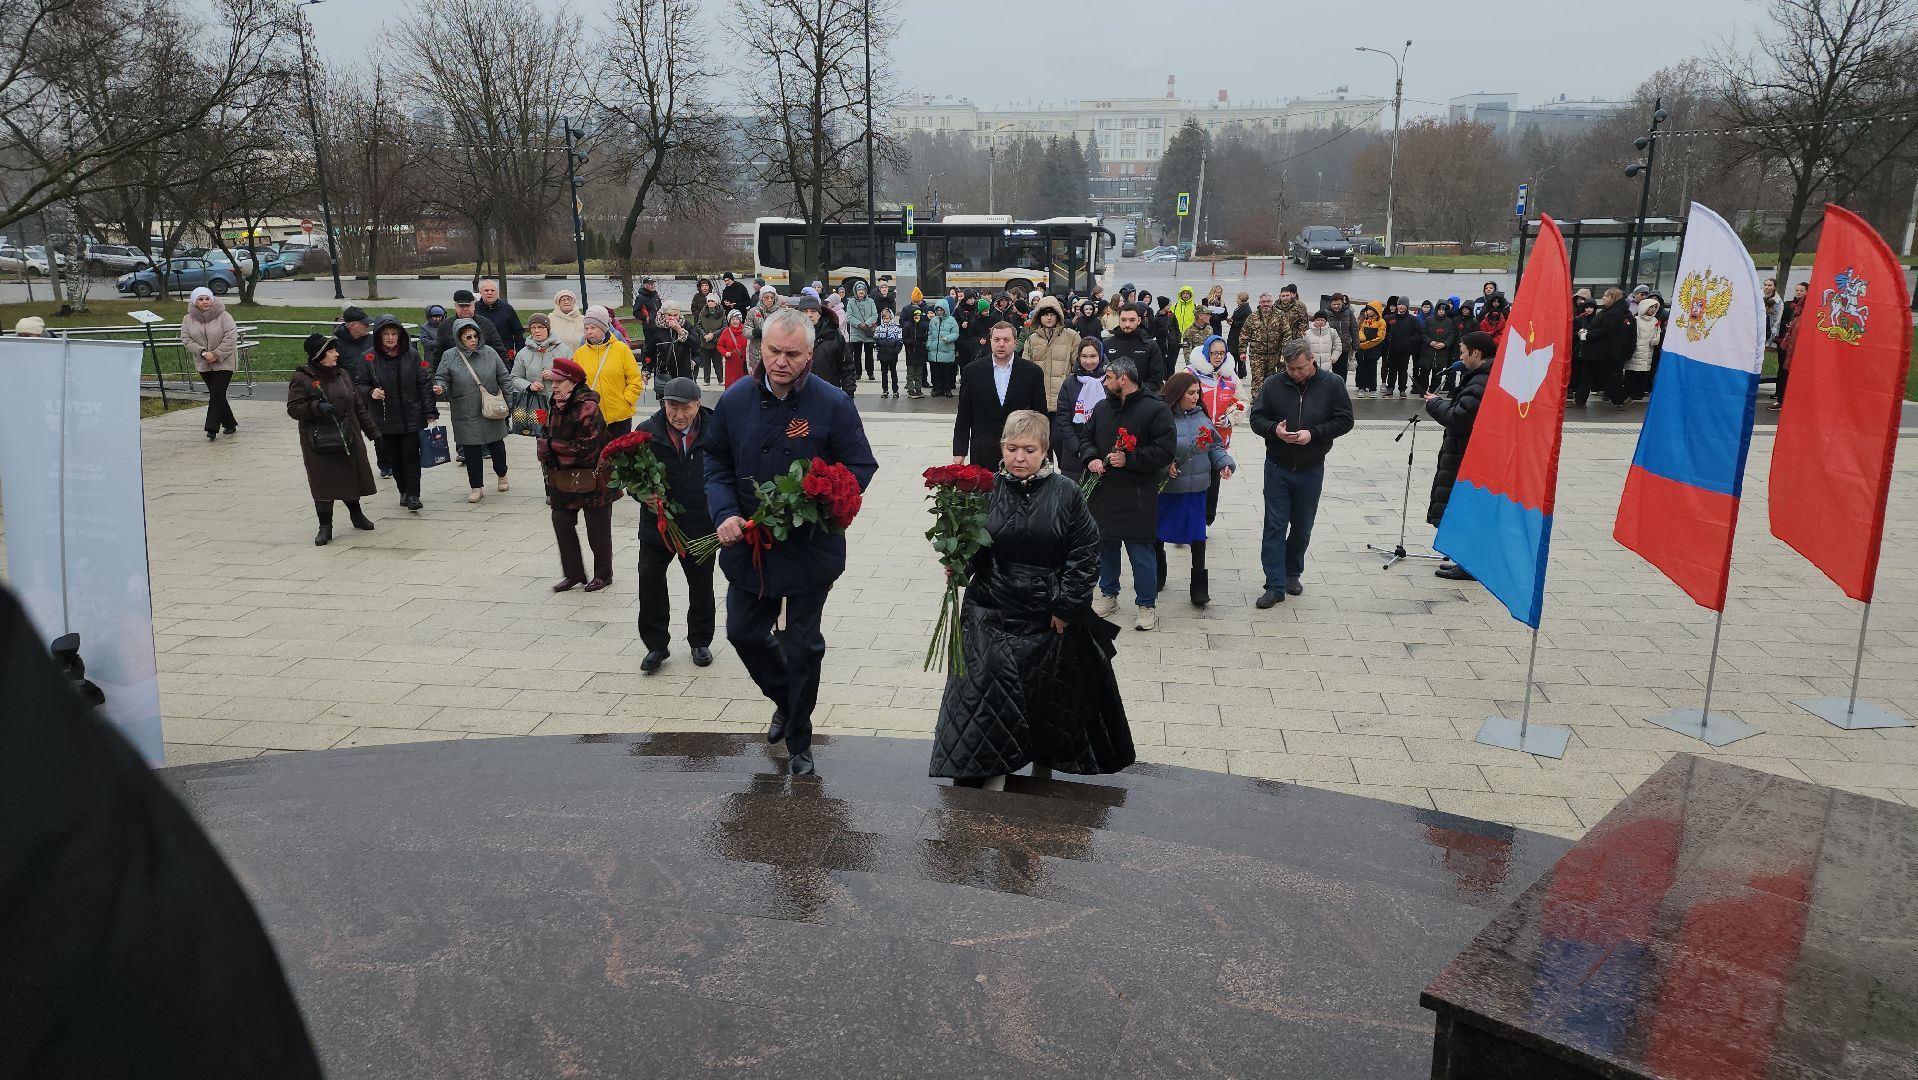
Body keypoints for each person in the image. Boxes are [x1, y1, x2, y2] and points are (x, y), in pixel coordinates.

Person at [704, 308, 879, 777]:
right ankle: (786, 698)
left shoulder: (832, 403)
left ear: (809, 355)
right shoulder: (736, 399)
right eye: (773, 351)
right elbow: (715, 462)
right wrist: (724, 513)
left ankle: (800, 739)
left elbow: (860, 466)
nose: (781, 362)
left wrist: (823, 500)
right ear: (760, 348)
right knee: (742, 632)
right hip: (752, 543)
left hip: (808, 546)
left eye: (793, 354)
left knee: (802, 646)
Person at [928, 409, 1133, 789]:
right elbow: (975, 545)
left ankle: (1043, 772)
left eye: (1029, 450)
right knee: (987, 696)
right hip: (990, 609)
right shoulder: (985, 489)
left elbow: (1084, 553)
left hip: (1046, 614)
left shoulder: (1066, 492)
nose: (1019, 458)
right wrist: (959, 562)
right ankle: (989, 780)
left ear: (1044, 450)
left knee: (1046, 698)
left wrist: (1067, 606)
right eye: (1011, 449)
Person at [1071, 356, 1175, 631]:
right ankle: (1108, 594)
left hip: (1137, 494)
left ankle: (1146, 605)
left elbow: (1164, 450)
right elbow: (1086, 438)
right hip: (1104, 492)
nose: (1104, 383)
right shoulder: (1102, 408)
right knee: (1106, 546)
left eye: (1108, 377)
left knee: (1141, 552)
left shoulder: (1156, 409)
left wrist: (1131, 459)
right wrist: (1091, 458)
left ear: (1123, 379)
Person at [1250, 339, 1353, 608]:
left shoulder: (1332, 384)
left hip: (1311, 467)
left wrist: (1314, 434)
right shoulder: (1273, 384)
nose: (1295, 373)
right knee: (1274, 525)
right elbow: (1256, 418)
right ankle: (1274, 585)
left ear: (1311, 360)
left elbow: (1345, 420)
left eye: (1300, 368)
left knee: (1302, 526)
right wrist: (1275, 431)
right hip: (1277, 466)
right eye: (1290, 368)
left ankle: (1292, 573)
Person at [635, 377, 716, 670]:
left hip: (699, 522)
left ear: (698, 404)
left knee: (701, 584)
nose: (679, 415)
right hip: (657, 524)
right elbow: (632, 475)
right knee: (650, 582)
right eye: (672, 407)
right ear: (663, 404)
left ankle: (700, 641)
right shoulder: (646, 431)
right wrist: (641, 493)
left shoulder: (716, 430)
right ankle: (656, 645)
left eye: (686, 408)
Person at [537, 357, 620, 592]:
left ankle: (603, 574)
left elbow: (587, 448)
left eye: (558, 382)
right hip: (564, 476)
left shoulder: (588, 407)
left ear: (573, 382)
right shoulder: (557, 403)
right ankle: (574, 574)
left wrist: (551, 446)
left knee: (597, 528)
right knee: (561, 521)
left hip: (594, 477)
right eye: (553, 381)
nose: (553, 386)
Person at [1155, 371, 1236, 608]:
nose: (1196, 397)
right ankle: (1158, 573)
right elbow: (1153, 450)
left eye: (1197, 392)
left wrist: (1225, 463)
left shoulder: (1202, 416)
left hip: (1196, 490)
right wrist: (1165, 466)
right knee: (1157, 534)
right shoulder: (1162, 417)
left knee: (1198, 537)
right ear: (1177, 394)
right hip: (1168, 491)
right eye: (1191, 393)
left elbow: (1215, 446)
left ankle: (1199, 586)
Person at [288, 334, 379, 545]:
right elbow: (293, 409)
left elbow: (357, 405)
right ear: (319, 356)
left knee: (349, 476)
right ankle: (325, 526)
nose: (336, 354)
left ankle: (356, 515)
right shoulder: (302, 378)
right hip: (320, 440)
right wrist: (316, 407)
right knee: (323, 481)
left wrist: (373, 432)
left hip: (348, 435)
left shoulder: (342, 374)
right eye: (331, 351)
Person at [1424, 330, 1494, 581]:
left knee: (1470, 511)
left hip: (1469, 456)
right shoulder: (1479, 377)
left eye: (1463, 352)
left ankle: (1470, 565)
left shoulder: (1481, 382)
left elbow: (1458, 417)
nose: (1461, 357)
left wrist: (1434, 403)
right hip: (1465, 453)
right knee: (1466, 510)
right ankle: (1465, 561)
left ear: (1476, 352)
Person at [354, 315, 435, 513]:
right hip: (384, 417)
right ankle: (403, 491)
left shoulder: (412, 355)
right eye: (386, 334)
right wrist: (371, 392)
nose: (391, 338)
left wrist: (429, 411)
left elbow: (423, 382)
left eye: (394, 334)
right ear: (379, 336)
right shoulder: (368, 357)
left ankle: (414, 495)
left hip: (410, 414)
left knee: (411, 455)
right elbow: (359, 384)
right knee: (395, 458)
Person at [431, 318, 512, 503]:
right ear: (459, 338)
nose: (473, 340)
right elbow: (441, 376)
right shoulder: (449, 356)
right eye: (468, 337)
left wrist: (509, 402)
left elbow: (504, 377)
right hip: (464, 410)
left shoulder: (489, 352)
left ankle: (502, 475)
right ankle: (476, 487)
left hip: (490, 407)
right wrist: (441, 387)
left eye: (475, 336)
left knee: (496, 446)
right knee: (471, 450)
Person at [954, 320, 1049, 471]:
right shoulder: (972, 371)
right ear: (990, 341)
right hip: (983, 449)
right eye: (997, 339)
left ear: (1015, 342)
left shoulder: (1032, 372)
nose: (1001, 344)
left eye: (1006, 340)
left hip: (1021, 452)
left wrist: (1044, 451)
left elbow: (1040, 415)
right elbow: (964, 414)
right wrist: (959, 451)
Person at [572, 308, 643, 436]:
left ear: (603, 328)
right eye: (586, 328)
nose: (589, 332)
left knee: (620, 449)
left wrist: (626, 400)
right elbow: (576, 383)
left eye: (593, 328)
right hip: (592, 417)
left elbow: (635, 379)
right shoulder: (579, 354)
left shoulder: (621, 349)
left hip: (620, 416)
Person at [180, 286, 238, 440]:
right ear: (195, 302)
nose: (205, 302)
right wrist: (203, 352)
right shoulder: (188, 319)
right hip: (203, 362)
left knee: (217, 393)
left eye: (207, 298)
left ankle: (212, 427)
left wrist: (216, 354)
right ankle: (230, 423)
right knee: (217, 394)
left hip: (224, 361)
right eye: (201, 299)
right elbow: (186, 339)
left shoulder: (224, 316)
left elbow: (231, 337)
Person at [1053, 337, 1106, 481]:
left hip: (1102, 453)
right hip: (1074, 454)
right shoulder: (1070, 383)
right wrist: (1079, 449)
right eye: (1084, 356)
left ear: (1100, 357)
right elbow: (1063, 419)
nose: (1088, 361)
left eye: (1093, 356)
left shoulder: (1109, 381)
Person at [510, 313, 569, 428]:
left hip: (560, 404)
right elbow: (514, 378)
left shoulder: (563, 350)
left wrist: (556, 375)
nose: (537, 331)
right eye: (533, 327)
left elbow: (574, 377)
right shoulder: (523, 353)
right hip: (535, 406)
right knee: (539, 435)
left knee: (560, 436)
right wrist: (529, 386)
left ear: (548, 329)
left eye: (540, 327)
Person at [793, 293, 853, 397]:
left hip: (828, 392)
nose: (809, 315)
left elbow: (847, 366)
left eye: (813, 311)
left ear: (819, 314)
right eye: (805, 311)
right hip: (798, 394)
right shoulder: (790, 335)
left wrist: (848, 394)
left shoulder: (833, 334)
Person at [1583, 287, 1635, 409]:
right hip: (1597, 350)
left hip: (1604, 351)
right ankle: (1580, 399)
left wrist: (1588, 335)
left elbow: (1605, 330)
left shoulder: (1615, 313)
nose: (1603, 297)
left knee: (1608, 377)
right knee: (1589, 375)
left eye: (1606, 296)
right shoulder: (1608, 310)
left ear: (1613, 298)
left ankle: (1622, 399)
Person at [1023, 295, 1079, 405]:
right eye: (1045, 314)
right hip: (1039, 398)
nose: (1049, 318)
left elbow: (1077, 366)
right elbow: (1026, 369)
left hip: (1063, 398)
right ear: (1039, 316)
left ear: (1058, 315)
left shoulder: (1071, 336)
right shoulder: (1031, 340)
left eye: (1052, 314)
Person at [1102, 302, 1166, 395]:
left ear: (1139, 321)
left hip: (1141, 398)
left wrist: (1136, 392)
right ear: (1119, 320)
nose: (1127, 324)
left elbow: (1157, 377)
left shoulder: (1150, 346)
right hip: (1111, 398)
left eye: (1132, 320)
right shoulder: (1106, 344)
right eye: (1123, 320)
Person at [1772, 281, 1807, 410]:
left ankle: (1787, 398)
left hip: (1795, 345)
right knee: (1782, 370)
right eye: (1797, 290)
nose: (1798, 292)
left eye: (1801, 290)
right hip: (1785, 342)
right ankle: (1779, 396)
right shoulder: (1788, 305)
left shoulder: (1807, 308)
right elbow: (1779, 321)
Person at [440, 289, 504, 357]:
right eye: (461, 306)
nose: (465, 309)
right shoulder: (445, 326)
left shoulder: (487, 324)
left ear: (474, 306)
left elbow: (499, 350)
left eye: (468, 306)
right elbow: (439, 354)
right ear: (455, 307)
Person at [1382, 298, 1422, 398]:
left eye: (1403, 304)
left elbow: (1418, 333)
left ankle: (1402, 389)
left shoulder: (1412, 319)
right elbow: (1384, 330)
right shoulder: (1391, 318)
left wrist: (1411, 341)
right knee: (1391, 370)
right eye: (1399, 304)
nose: (1401, 306)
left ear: (1407, 306)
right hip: (1392, 349)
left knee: (1403, 371)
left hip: (1405, 350)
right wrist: (1388, 337)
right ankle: (1390, 388)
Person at [474, 279, 525, 356]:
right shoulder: (474, 309)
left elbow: (518, 331)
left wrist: (519, 352)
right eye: (486, 290)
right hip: (480, 353)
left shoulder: (507, 309)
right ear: (480, 292)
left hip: (504, 354)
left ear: (497, 292)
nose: (489, 293)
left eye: (492, 290)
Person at [1626, 297, 1661, 403]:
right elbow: (1632, 335)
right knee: (1632, 372)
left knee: (1643, 373)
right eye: (1651, 307)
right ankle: (1629, 392)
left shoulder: (1655, 321)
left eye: (1655, 307)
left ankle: (1639, 392)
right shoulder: (1636, 320)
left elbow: (1657, 333)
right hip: (1636, 351)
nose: (1653, 310)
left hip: (1648, 351)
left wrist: (1656, 340)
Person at [1420, 299, 1459, 396]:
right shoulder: (1429, 320)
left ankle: (1434, 392)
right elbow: (1423, 332)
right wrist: (1430, 342)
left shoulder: (1449, 322)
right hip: (1428, 350)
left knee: (1437, 374)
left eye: (1443, 310)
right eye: (1440, 309)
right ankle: (1423, 391)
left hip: (1441, 352)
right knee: (1424, 372)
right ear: (1437, 309)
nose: (1441, 311)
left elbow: (1452, 335)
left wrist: (1445, 344)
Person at [690, 292, 728, 385]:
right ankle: (706, 380)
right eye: (708, 301)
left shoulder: (721, 313)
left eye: (712, 301)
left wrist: (713, 334)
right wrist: (704, 335)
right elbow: (698, 325)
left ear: (716, 302)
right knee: (706, 362)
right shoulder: (703, 312)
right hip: (705, 341)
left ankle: (720, 379)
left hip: (716, 341)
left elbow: (724, 326)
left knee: (717, 362)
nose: (710, 303)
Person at [926, 296, 961, 397]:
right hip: (935, 351)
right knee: (935, 372)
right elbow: (930, 334)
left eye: (941, 310)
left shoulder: (952, 320)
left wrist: (948, 338)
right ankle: (937, 389)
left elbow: (956, 333)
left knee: (946, 372)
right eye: (937, 310)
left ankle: (947, 389)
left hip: (946, 349)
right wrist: (929, 345)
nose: (939, 312)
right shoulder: (933, 320)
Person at [844, 281, 877, 381]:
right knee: (857, 354)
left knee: (869, 354)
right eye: (859, 290)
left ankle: (870, 372)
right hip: (856, 332)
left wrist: (866, 324)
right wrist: (859, 324)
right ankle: (858, 373)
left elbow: (874, 315)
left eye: (863, 290)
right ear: (855, 291)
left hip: (868, 331)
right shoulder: (851, 302)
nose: (861, 292)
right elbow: (849, 316)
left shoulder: (871, 301)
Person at [902, 290, 931, 398]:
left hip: (920, 352)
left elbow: (924, 337)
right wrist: (912, 342)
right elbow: (904, 339)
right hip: (911, 352)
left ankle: (918, 389)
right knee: (911, 373)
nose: (917, 317)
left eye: (919, 315)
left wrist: (921, 341)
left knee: (919, 372)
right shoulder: (907, 327)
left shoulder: (922, 326)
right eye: (915, 315)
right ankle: (910, 389)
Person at [745, 286, 780, 373]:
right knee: (757, 376)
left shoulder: (780, 313)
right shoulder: (753, 312)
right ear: (761, 298)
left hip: (774, 350)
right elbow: (745, 329)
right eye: (766, 297)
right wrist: (753, 332)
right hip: (757, 350)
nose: (769, 300)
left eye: (772, 298)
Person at [1354, 301, 1386, 398]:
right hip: (1362, 350)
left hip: (1373, 350)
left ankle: (1373, 389)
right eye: (1367, 310)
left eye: (1369, 310)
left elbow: (1380, 337)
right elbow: (1360, 330)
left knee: (1372, 369)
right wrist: (1362, 337)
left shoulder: (1381, 322)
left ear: (1375, 310)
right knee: (1361, 369)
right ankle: (1361, 387)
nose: (1367, 311)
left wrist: (1366, 345)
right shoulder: (1365, 320)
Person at [1325, 292, 1358, 379]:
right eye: (1334, 304)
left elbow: (1354, 328)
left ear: (1342, 303)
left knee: (1342, 371)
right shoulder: (1326, 313)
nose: (1336, 306)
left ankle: (1342, 386)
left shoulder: (1348, 312)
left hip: (1344, 346)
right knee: (1330, 372)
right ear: (1330, 303)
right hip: (1330, 347)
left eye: (1338, 304)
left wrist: (1355, 344)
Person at [873, 306, 903, 398]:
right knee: (884, 373)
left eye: (887, 318)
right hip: (883, 354)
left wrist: (896, 351)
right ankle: (885, 390)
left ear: (891, 318)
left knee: (893, 373)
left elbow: (899, 341)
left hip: (892, 354)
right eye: (884, 318)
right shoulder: (879, 328)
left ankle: (895, 390)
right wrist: (878, 347)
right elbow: (876, 340)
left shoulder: (896, 328)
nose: (885, 320)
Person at [717, 309, 750, 387]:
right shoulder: (726, 332)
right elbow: (719, 345)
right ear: (729, 321)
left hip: (744, 364)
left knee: (744, 384)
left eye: (737, 319)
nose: (735, 321)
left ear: (740, 320)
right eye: (733, 319)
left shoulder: (746, 331)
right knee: (731, 384)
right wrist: (725, 353)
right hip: (731, 364)